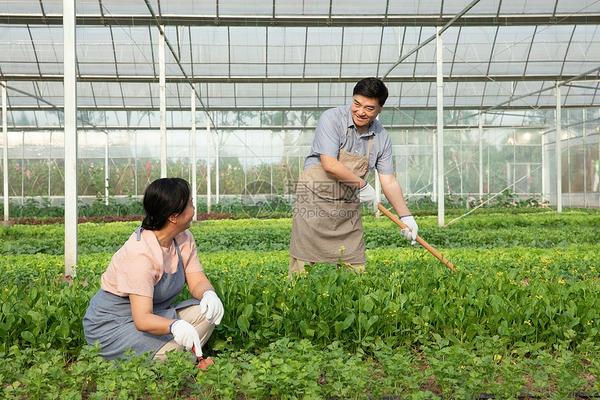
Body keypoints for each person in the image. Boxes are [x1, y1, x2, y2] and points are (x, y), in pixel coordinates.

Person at [83, 177, 224, 361]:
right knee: (171, 354)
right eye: (190, 203)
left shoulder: (183, 238)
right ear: (173, 216)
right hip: (114, 326)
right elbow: (142, 319)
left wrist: (208, 294)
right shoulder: (140, 254)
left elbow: (196, 279)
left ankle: (182, 357)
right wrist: (174, 326)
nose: (194, 208)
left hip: (155, 315)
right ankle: (183, 359)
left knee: (206, 313)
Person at [289, 77, 418, 277]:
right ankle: (295, 299)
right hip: (313, 200)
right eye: (356, 104)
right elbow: (330, 164)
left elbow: (388, 180)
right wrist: (363, 186)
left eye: (369, 108)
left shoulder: (381, 137)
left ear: (379, 109)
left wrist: (406, 216)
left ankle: (353, 303)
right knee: (304, 260)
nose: (360, 111)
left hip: (346, 204)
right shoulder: (332, 118)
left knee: (354, 263)